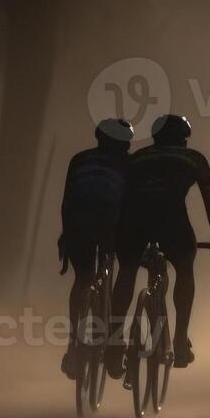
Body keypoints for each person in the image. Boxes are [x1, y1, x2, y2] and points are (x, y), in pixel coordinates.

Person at [108, 114, 210, 376]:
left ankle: (114, 342)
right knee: (184, 268)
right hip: (171, 219)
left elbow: (120, 195)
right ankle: (180, 340)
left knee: (127, 270)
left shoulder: (136, 158)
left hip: (133, 220)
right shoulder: (195, 159)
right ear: (183, 139)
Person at [58, 118, 133, 379]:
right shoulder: (128, 164)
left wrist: (66, 235)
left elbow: (67, 200)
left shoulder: (79, 159)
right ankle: (113, 344)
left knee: (82, 278)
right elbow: (130, 204)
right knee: (115, 272)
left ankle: (72, 346)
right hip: (110, 224)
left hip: (77, 223)